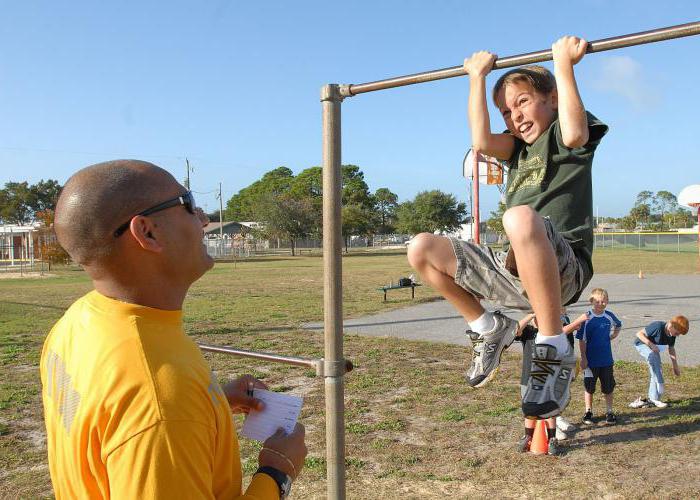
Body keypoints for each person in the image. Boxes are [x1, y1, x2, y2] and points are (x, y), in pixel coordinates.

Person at [40, 160, 307, 499]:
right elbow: (152, 413)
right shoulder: (159, 397)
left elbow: (111, 426)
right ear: (147, 232)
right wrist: (276, 471)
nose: (204, 219)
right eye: (189, 205)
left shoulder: (77, 323)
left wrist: (212, 405)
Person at [407, 35, 608, 420]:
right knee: (421, 248)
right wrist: (476, 78)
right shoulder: (516, 150)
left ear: (551, 99)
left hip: (564, 267)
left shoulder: (566, 138)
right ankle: (488, 327)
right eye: (505, 111)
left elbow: (574, 132)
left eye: (522, 102)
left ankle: (554, 345)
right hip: (515, 271)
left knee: (519, 216)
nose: (514, 115)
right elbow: (480, 141)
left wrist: (562, 64)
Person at [517, 310, 587, 455]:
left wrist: (573, 322)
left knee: (550, 411)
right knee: (529, 410)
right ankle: (528, 436)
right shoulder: (528, 331)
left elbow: (562, 332)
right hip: (528, 377)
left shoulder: (552, 335)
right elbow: (515, 331)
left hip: (548, 379)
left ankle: (552, 439)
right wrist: (531, 315)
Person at [575, 288, 621, 425]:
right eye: (597, 301)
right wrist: (583, 358)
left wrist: (614, 335)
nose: (601, 304)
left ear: (607, 301)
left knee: (608, 387)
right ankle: (588, 411)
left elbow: (618, 324)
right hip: (590, 362)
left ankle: (609, 411)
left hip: (606, 360)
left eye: (604, 301)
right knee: (589, 387)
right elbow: (582, 340)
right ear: (591, 301)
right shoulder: (587, 318)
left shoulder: (609, 316)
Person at [629, 315, 690, 409]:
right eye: (677, 333)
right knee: (654, 359)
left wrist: (675, 366)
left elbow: (671, 349)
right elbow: (639, 334)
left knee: (656, 367)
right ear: (671, 326)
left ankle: (653, 399)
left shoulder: (671, 335)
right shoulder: (657, 326)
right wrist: (651, 344)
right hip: (642, 345)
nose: (677, 335)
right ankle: (659, 383)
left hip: (654, 349)